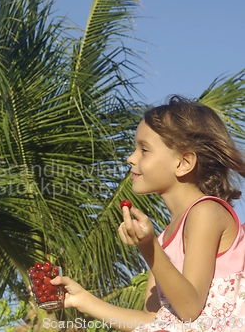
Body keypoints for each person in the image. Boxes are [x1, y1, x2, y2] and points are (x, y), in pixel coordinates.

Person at [51, 95, 245, 331]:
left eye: (144, 149)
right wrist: (82, 300)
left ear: (183, 162)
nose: (130, 158)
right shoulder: (163, 240)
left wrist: (148, 246)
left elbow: (190, 308)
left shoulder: (205, 212)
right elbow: (154, 321)